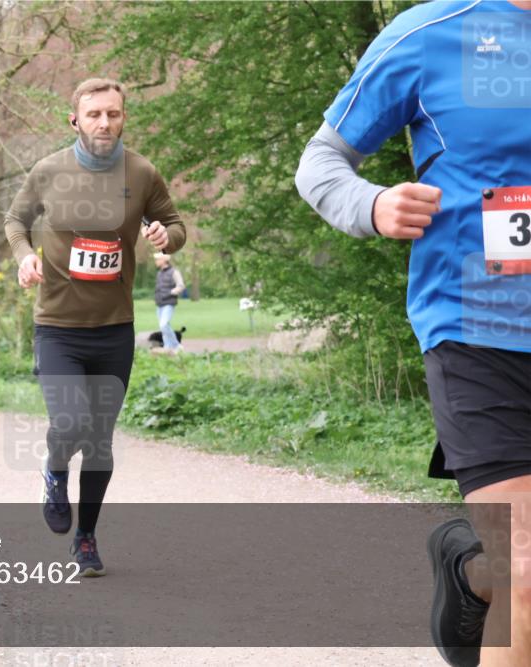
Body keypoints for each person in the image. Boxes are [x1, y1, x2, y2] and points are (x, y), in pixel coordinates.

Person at [295, 2, 530, 665]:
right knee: (529, 572)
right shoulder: (432, 34)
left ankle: (470, 572)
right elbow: (320, 161)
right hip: (477, 327)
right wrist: (370, 204)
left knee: (515, 572)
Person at [4, 77, 186, 576]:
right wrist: (24, 258)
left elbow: (176, 225)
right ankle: (55, 470)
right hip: (59, 326)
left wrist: (162, 235)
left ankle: (86, 539)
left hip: (113, 329)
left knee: (101, 439)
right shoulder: (48, 171)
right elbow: (16, 222)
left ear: (123, 118)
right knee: (69, 423)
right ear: (75, 120)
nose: (104, 122)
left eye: (113, 114)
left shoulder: (142, 173)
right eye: (94, 114)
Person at [153, 251, 185, 354]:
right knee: (163, 328)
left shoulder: (174, 272)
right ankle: (167, 347)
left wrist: (171, 292)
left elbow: (181, 285)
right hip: (159, 304)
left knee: (164, 324)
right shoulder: (159, 273)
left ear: (164, 260)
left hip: (169, 303)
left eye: (158, 259)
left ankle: (176, 345)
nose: (156, 261)